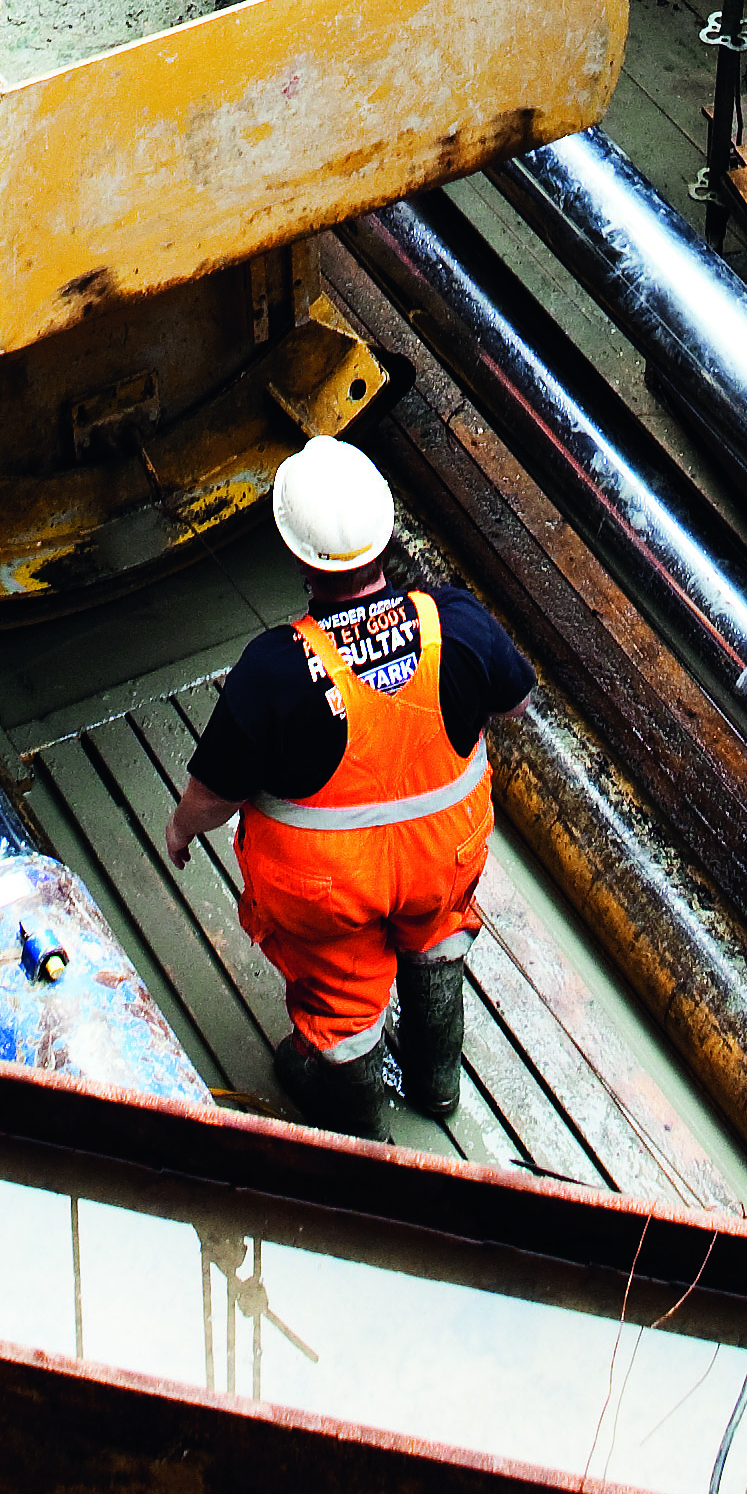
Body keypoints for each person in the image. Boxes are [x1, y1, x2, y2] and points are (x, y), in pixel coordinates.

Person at [162, 436, 533, 1136]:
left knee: (341, 1000)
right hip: (441, 858)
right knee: (437, 939)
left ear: (296, 555)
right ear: (387, 535)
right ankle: (436, 1083)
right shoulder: (454, 621)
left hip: (328, 893)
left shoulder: (272, 669)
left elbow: (213, 797)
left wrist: (181, 832)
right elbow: (514, 705)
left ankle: (364, 1132)